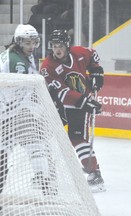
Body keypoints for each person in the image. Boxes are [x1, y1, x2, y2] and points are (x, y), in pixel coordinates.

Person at [40, 29, 105, 192]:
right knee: (44, 135)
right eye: (54, 46)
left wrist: (97, 72)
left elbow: (93, 55)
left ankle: (94, 173)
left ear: (67, 45)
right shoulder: (47, 67)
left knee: (77, 137)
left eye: (60, 45)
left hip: (80, 103)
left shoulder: (79, 53)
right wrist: (85, 101)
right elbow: (60, 92)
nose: (57, 49)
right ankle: (45, 173)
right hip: (59, 104)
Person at [0, 24, 57, 200]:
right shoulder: (17, 62)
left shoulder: (21, 55)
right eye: (27, 42)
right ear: (18, 42)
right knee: (32, 145)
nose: (31, 46)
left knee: (33, 143)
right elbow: (17, 91)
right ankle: (44, 179)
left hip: (12, 111)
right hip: (9, 114)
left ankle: (43, 179)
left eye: (34, 42)